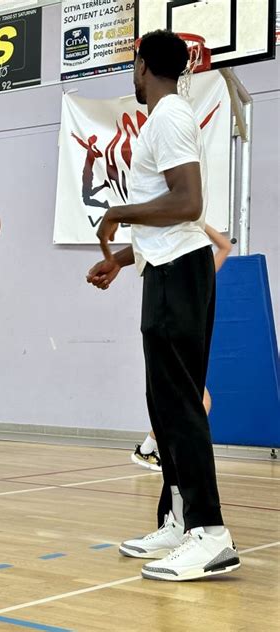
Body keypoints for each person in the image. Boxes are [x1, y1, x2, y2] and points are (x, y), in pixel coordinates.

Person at [87, 30, 240, 581]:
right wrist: (123, 258)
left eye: (132, 63)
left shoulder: (170, 115)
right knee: (164, 406)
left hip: (180, 275)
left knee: (178, 406)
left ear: (142, 64)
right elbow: (176, 219)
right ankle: (178, 520)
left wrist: (117, 213)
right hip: (167, 270)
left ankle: (210, 533)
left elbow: (188, 203)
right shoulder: (164, 120)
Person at [132, 224, 233, 472]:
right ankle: (158, 453)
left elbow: (226, 246)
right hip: (169, 343)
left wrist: (199, 223)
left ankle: (151, 450)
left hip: (187, 348)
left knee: (193, 403)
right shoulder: (169, 276)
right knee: (196, 402)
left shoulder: (204, 272)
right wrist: (195, 222)